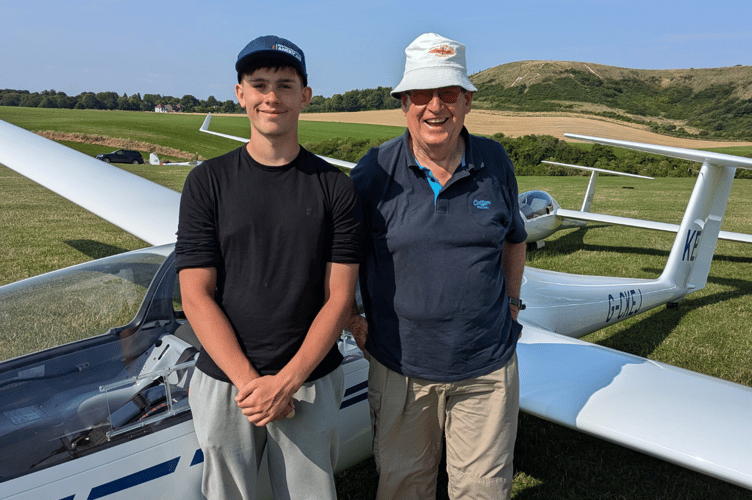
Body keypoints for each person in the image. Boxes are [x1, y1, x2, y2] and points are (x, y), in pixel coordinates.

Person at [176, 35, 362, 500]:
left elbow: (340, 297)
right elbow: (195, 293)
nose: (271, 97)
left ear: (305, 96)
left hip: (309, 379)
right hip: (225, 382)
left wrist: (287, 382)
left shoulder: (335, 188)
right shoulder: (207, 182)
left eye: (284, 84)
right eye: (258, 84)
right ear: (240, 95)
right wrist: (250, 383)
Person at [348, 32, 527, 500]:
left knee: (483, 492)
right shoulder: (372, 172)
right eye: (420, 95)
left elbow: (514, 241)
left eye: (448, 93)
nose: (435, 107)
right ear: (402, 103)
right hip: (401, 367)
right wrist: (350, 316)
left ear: (467, 101)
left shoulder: (496, 161)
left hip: (486, 367)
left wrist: (511, 304)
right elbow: (339, 253)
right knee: (404, 489)